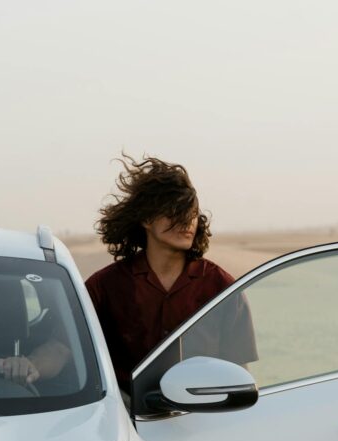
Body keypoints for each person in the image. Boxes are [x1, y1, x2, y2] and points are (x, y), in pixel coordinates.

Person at [85, 154, 257, 394]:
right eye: (175, 211)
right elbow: (65, 350)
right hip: (125, 412)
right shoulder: (104, 287)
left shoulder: (222, 287)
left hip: (202, 412)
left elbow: (240, 370)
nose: (187, 221)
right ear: (146, 218)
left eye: (192, 213)